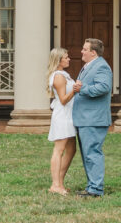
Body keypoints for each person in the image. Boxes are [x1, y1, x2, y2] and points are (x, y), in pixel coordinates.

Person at [71, 37, 113, 198]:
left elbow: (103, 87)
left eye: (85, 49)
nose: (81, 51)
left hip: (93, 119)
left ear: (93, 53)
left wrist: (83, 88)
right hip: (85, 118)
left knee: (92, 153)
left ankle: (96, 189)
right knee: (87, 154)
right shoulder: (89, 66)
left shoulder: (101, 67)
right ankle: (91, 186)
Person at [45, 47, 77, 195]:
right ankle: (55, 185)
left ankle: (60, 182)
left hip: (70, 116)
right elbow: (63, 100)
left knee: (72, 149)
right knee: (59, 150)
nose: (68, 59)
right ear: (58, 60)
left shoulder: (64, 75)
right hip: (63, 116)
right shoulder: (58, 76)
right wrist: (75, 91)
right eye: (66, 57)